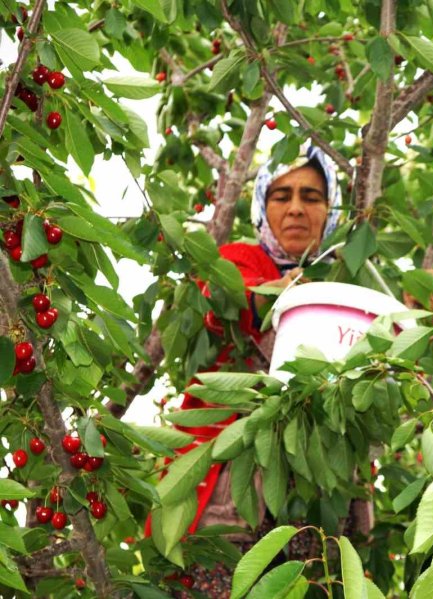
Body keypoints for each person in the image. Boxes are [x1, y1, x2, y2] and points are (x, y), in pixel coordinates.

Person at [164, 144, 342, 596]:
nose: (297, 208)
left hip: (312, 513)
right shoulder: (240, 260)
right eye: (281, 196)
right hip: (229, 507)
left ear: (331, 208)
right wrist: (275, 294)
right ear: (263, 206)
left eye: (312, 196)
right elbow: (221, 306)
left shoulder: (347, 290)